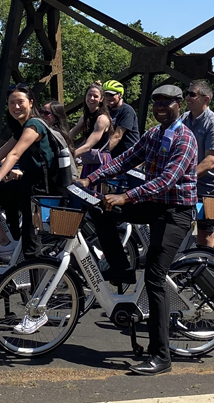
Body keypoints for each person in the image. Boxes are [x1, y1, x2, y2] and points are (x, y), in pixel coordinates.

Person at [77, 84, 199, 376]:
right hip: (154, 204)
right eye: (156, 101)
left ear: (179, 104)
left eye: (166, 102)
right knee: (100, 210)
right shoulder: (154, 134)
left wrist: (125, 197)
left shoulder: (185, 138)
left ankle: (161, 355)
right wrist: (89, 180)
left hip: (175, 212)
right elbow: (124, 160)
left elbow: (167, 180)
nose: (159, 106)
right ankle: (120, 268)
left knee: (155, 279)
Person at [0, 84, 60, 261]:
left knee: (31, 247)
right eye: (12, 102)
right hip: (26, 186)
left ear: (31, 103)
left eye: (20, 102)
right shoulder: (20, 128)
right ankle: (4, 243)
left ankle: (40, 286)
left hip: (40, 192)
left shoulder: (35, 125)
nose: (16, 107)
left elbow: (14, 153)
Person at [180, 79, 214, 247]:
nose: (187, 97)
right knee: (180, 227)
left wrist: (182, 177)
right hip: (192, 186)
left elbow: (210, 162)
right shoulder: (184, 119)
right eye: (187, 93)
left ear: (206, 99)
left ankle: (212, 271)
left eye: (192, 94)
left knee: (206, 233)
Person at [69, 82, 112, 177]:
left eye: (95, 96)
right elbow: (71, 134)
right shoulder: (85, 116)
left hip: (100, 159)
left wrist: (69, 156)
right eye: (89, 95)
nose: (91, 99)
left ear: (101, 99)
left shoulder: (102, 119)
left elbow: (88, 146)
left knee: (96, 190)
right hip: (90, 158)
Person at [102, 79, 140, 158]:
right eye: (106, 95)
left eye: (112, 95)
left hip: (130, 156)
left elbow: (117, 136)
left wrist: (102, 155)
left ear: (120, 95)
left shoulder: (127, 111)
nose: (108, 98)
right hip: (114, 155)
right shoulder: (106, 110)